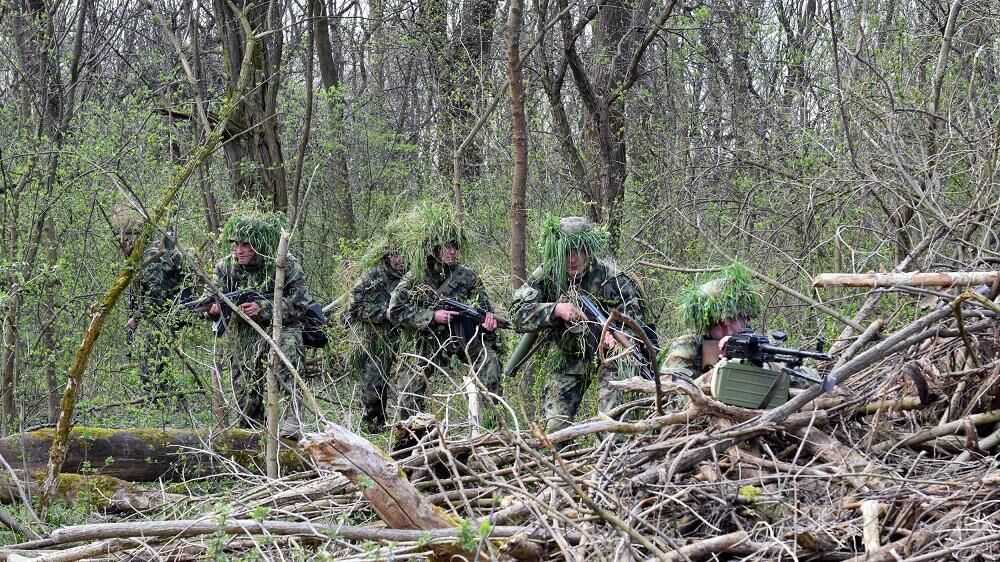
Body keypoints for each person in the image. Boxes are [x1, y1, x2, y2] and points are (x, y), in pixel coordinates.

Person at [510, 215, 646, 432]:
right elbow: (517, 315)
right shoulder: (547, 275)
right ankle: (563, 464)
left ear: (589, 250)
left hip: (609, 360)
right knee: (554, 430)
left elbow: (637, 328)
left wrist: (619, 338)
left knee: (610, 425)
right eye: (566, 251)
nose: (573, 258)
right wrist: (555, 310)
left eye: (579, 250)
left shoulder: (614, 280)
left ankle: (612, 459)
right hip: (569, 358)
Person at [387, 201, 501, 418]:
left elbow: (485, 308)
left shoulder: (467, 275)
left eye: (454, 246)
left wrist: (488, 323)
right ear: (433, 249)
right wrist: (431, 316)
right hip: (428, 339)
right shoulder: (417, 276)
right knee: (410, 382)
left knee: (490, 364)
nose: (451, 251)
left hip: (463, 337)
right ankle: (409, 437)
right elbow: (394, 310)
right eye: (445, 246)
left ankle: (493, 424)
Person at [205, 209, 311, 428]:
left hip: (281, 326)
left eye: (246, 245)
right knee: (243, 388)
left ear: (259, 245)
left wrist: (264, 308)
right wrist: (212, 309)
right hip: (245, 330)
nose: (239, 250)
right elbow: (210, 295)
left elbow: (300, 305)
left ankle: (293, 419)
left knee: (290, 353)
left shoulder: (285, 264)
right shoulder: (225, 267)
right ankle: (251, 431)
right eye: (236, 244)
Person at [113, 205, 190, 399]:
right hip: (159, 317)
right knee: (158, 363)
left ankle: (157, 405)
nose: (122, 244)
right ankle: (166, 403)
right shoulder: (144, 255)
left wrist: (136, 318)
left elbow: (156, 295)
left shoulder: (149, 256)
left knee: (153, 364)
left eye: (125, 238)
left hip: (160, 317)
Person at [345, 223, 406, 433]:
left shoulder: (414, 277)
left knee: (411, 382)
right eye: (396, 255)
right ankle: (374, 426)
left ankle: (410, 426)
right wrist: (386, 314)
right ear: (388, 256)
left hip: (407, 336)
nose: (400, 260)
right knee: (373, 386)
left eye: (404, 254)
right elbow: (355, 306)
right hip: (378, 336)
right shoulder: (373, 276)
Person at [659, 262, 764, 382]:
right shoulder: (689, 347)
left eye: (734, 320)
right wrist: (717, 374)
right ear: (705, 326)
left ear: (747, 319)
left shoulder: (762, 348)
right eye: (719, 324)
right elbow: (671, 393)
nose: (729, 331)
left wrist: (761, 365)